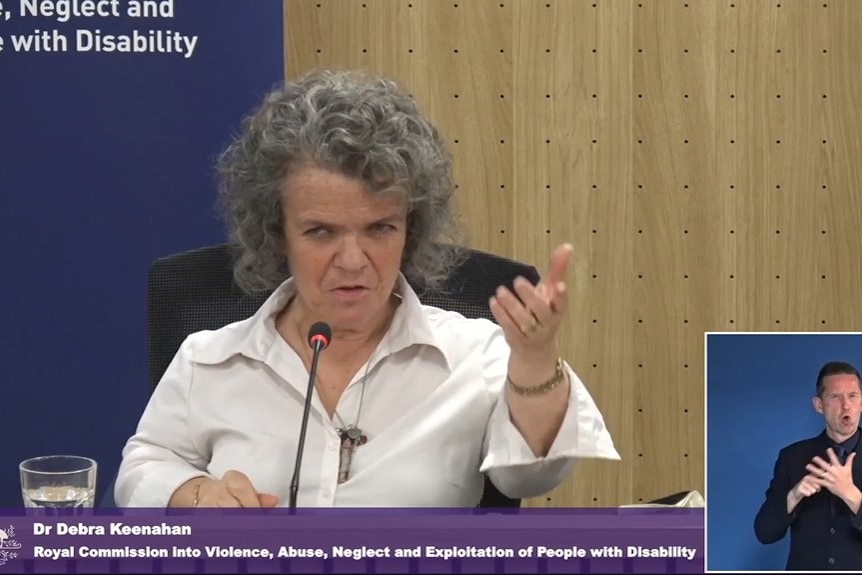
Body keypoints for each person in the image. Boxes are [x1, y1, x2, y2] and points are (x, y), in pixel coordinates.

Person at [114, 68, 620, 508]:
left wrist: (534, 358)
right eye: (321, 232)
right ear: (277, 234)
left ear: (410, 229)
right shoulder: (209, 360)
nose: (353, 261)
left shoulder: (475, 355)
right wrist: (198, 496)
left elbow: (532, 475)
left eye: (379, 228)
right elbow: (145, 466)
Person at [754, 361, 862, 570]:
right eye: (835, 397)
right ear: (819, 405)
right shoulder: (792, 457)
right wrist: (793, 497)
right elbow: (764, 534)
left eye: (852, 396)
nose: (846, 405)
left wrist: (852, 495)